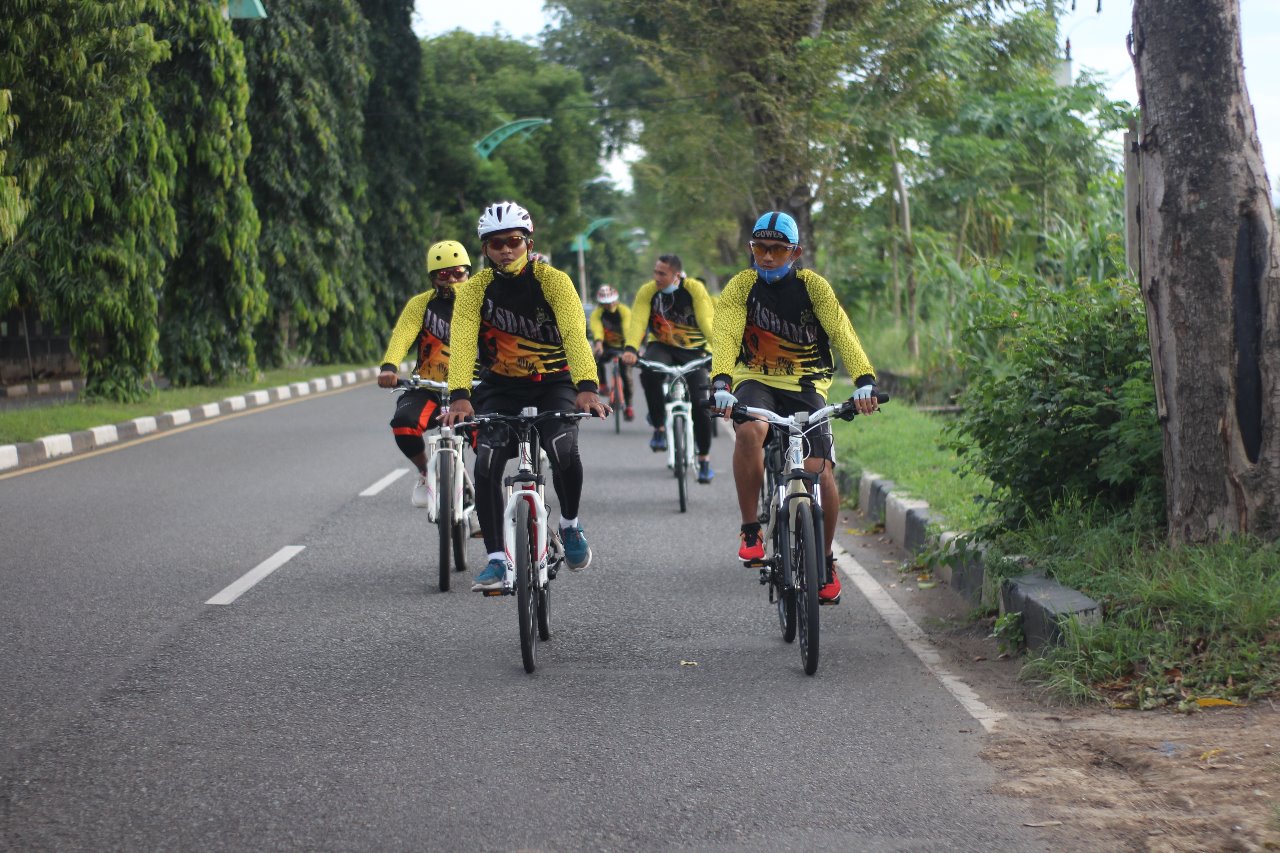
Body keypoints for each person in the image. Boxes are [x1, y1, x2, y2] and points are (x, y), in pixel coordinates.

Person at [710, 211, 879, 605]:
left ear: (795, 252)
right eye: (759, 248)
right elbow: (726, 334)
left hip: (807, 382)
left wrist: (864, 380)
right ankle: (751, 528)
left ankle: (824, 560)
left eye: (776, 250)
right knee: (750, 430)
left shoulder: (813, 286)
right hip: (755, 378)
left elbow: (841, 331)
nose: (766, 257)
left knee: (821, 471)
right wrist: (721, 382)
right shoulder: (741, 286)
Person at [442, 201, 610, 592]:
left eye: (513, 241)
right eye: (496, 243)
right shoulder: (474, 291)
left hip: (555, 382)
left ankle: (569, 524)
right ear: (484, 249)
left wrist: (587, 387)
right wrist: (461, 395)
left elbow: (574, 333)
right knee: (485, 462)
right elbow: (463, 343)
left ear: (528, 243)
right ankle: (497, 559)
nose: (505, 250)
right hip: (500, 386)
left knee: (563, 448)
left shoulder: (553, 281)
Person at [377, 239, 479, 535]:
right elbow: (403, 335)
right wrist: (389, 367)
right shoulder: (420, 304)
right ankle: (425, 472)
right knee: (404, 423)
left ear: (468, 273)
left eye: (458, 272)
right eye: (443, 274)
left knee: (489, 442)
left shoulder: (482, 302)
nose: (452, 280)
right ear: (433, 278)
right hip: (428, 384)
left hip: (473, 387)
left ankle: (484, 504)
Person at [620, 254, 717, 483]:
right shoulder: (648, 291)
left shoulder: (694, 289)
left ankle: (703, 459)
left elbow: (707, 321)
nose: (656, 277)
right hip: (661, 346)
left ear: (676, 275)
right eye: (655, 272)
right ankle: (659, 425)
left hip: (692, 350)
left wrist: (721, 351)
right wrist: (631, 348)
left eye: (662, 273)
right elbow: (638, 322)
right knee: (649, 373)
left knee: (701, 404)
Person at [589, 284, 634, 420]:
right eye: (605, 303)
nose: (608, 306)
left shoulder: (624, 311)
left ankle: (629, 407)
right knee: (594, 359)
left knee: (627, 375)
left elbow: (627, 329)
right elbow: (597, 329)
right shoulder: (597, 313)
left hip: (623, 346)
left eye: (610, 302)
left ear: (616, 300)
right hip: (606, 346)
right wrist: (598, 343)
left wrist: (629, 349)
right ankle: (603, 384)